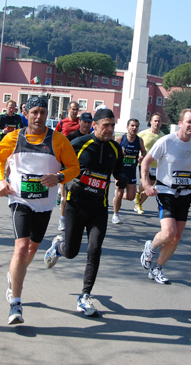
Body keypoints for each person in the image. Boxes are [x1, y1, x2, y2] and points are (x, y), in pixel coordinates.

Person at [0, 96, 79, 325]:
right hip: (19, 199)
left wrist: (59, 177)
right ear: (26, 113)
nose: (39, 117)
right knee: (21, 247)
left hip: (44, 203)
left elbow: (74, 167)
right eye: (34, 112)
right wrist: (0, 181)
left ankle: (14, 275)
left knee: (31, 248)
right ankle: (16, 303)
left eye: (42, 112)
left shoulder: (58, 140)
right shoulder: (14, 138)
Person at [44, 108, 127, 317]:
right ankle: (58, 247)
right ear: (96, 125)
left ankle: (85, 295)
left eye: (112, 125)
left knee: (95, 249)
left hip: (99, 208)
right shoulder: (79, 144)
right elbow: (61, 167)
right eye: (105, 125)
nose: (109, 129)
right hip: (76, 205)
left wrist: (121, 178)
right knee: (71, 252)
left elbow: (119, 169)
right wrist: (70, 182)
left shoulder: (116, 149)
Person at [139, 109, 191, 284]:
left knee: (177, 236)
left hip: (185, 193)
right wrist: (146, 184)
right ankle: (151, 247)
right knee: (169, 233)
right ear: (180, 122)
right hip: (165, 191)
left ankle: (157, 269)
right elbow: (146, 162)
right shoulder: (166, 141)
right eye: (188, 122)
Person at [112, 118, 146, 224]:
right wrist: (119, 154)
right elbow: (113, 153)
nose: (134, 128)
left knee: (131, 197)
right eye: (132, 126)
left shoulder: (139, 140)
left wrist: (141, 157)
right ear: (127, 127)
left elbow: (144, 152)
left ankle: (118, 195)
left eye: (136, 126)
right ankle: (115, 215)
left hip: (132, 171)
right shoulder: (121, 139)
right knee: (120, 193)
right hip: (121, 171)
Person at [54, 101, 81, 230]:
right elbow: (55, 135)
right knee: (64, 177)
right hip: (63, 153)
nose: (74, 112)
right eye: (73, 109)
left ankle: (61, 193)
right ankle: (61, 193)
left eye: (76, 109)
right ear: (68, 109)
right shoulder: (62, 122)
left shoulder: (81, 122)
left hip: (75, 154)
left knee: (69, 178)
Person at [135, 113, 165, 214]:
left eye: (159, 121)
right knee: (145, 184)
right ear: (151, 122)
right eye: (155, 121)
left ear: (161, 123)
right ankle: (138, 200)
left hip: (156, 166)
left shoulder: (163, 137)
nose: (157, 123)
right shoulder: (142, 134)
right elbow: (136, 146)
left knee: (150, 186)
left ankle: (139, 202)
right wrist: (139, 155)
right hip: (144, 164)